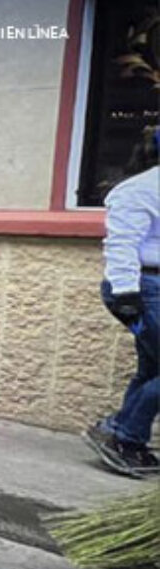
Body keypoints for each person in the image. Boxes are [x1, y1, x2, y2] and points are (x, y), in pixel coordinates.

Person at [87, 128, 160, 477]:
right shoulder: (140, 189)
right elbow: (122, 245)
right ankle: (124, 436)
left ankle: (119, 434)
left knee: (152, 368)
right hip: (143, 287)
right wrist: (127, 296)